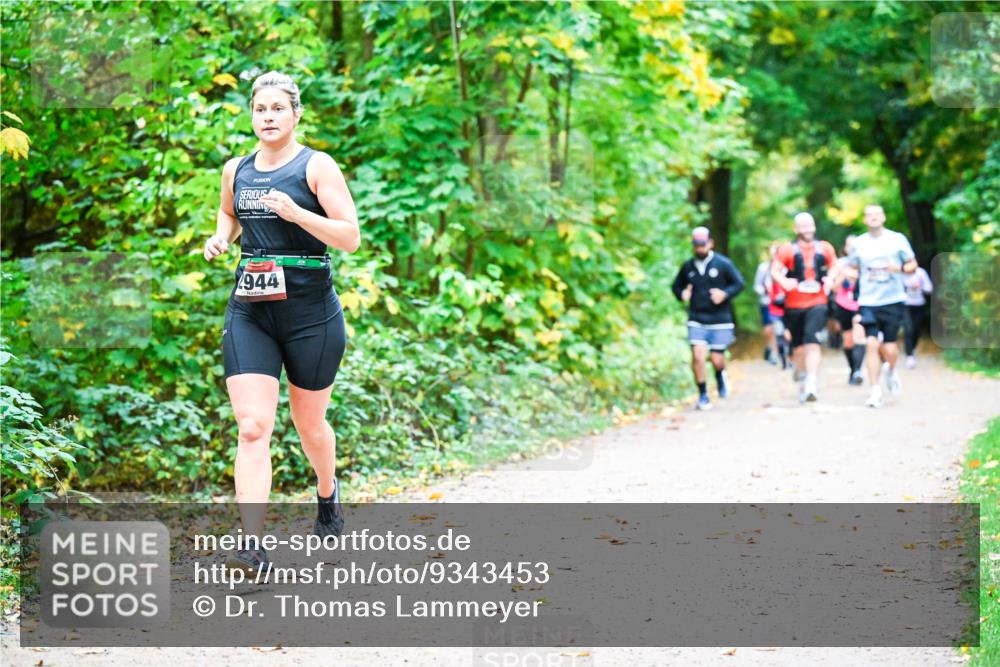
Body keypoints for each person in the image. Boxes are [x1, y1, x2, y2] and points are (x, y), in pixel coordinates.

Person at [203, 71, 361, 571]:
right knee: (252, 427)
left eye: (277, 109)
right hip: (251, 310)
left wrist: (298, 215)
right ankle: (252, 547)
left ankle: (327, 489)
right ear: (252, 115)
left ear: (296, 115)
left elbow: (349, 236)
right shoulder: (236, 169)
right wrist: (220, 238)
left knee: (308, 423)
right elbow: (230, 216)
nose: (267, 117)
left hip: (311, 313)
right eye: (259, 108)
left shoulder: (317, 166)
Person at [847, 204, 918, 408]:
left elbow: (913, 265)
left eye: (877, 214)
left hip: (893, 299)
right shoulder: (858, 243)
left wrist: (900, 268)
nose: (874, 218)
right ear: (865, 220)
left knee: (889, 347)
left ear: (883, 217)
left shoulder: (897, 239)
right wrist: (853, 275)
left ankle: (891, 370)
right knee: (871, 344)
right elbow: (852, 268)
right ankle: (875, 390)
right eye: (870, 215)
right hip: (868, 301)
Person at [671, 226, 745, 410]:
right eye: (695, 244)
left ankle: (720, 375)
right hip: (696, 317)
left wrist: (724, 293)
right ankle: (703, 394)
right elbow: (676, 287)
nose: (699, 248)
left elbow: (739, 283)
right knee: (697, 355)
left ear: (710, 243)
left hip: (720, 318)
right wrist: (682, 295)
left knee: (717, 358)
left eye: (702, 244)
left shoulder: (723, 264)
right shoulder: (688, 267)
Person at [771, 212, 837, 403]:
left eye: (810, 225)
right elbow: (774, 270)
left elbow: (835, 265)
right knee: (799, 348)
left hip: (818, 302)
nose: (807, 229)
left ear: (814, 227)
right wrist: (784, 282)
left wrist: (830, 279)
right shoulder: (786, 250)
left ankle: (811, 383)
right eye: (803, 226)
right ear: (796, 229)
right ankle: (801, 375)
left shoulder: (824, 248)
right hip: (793, 305)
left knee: (812, 340)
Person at [827, 235, 865, 385]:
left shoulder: (866, 262)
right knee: (848, 341)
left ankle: (858, 371)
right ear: (845, 248)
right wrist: (842, 275)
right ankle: (852, 369)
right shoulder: (839, 264)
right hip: (842, 305)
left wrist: (856, 275)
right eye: (849, 246)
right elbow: (832, 287)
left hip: (861, 304)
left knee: (859, 336)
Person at [902, 265, 933, 368]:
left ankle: (913, 348)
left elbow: (929, 288)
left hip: (919, 305)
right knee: (908, 329)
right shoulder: (900, 274)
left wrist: (920, 286)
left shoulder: (921, 272)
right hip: (905, 305)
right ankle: (909, 355)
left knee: (916, 329)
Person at [753, 244, 780, 365]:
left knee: (780, 329)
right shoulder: (763, 268)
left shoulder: (785, 268)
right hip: (766, 302)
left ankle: (780, 352)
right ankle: (771, 349)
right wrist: (765, 291)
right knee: (769, 329)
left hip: (781, 303)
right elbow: (756, 286)